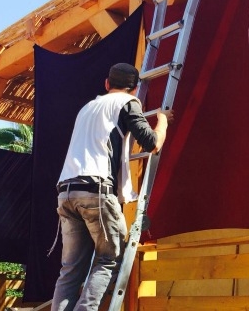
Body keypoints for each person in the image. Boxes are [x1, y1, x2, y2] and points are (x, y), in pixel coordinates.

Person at [50, 63, 171, 310]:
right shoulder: (127, 103)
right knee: (108, 259)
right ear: (135, 89)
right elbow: (151, 144)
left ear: (107, 84)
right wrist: (163, 122)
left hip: (67, 192)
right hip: (96, 190)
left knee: (71, 270)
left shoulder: (87, 108)